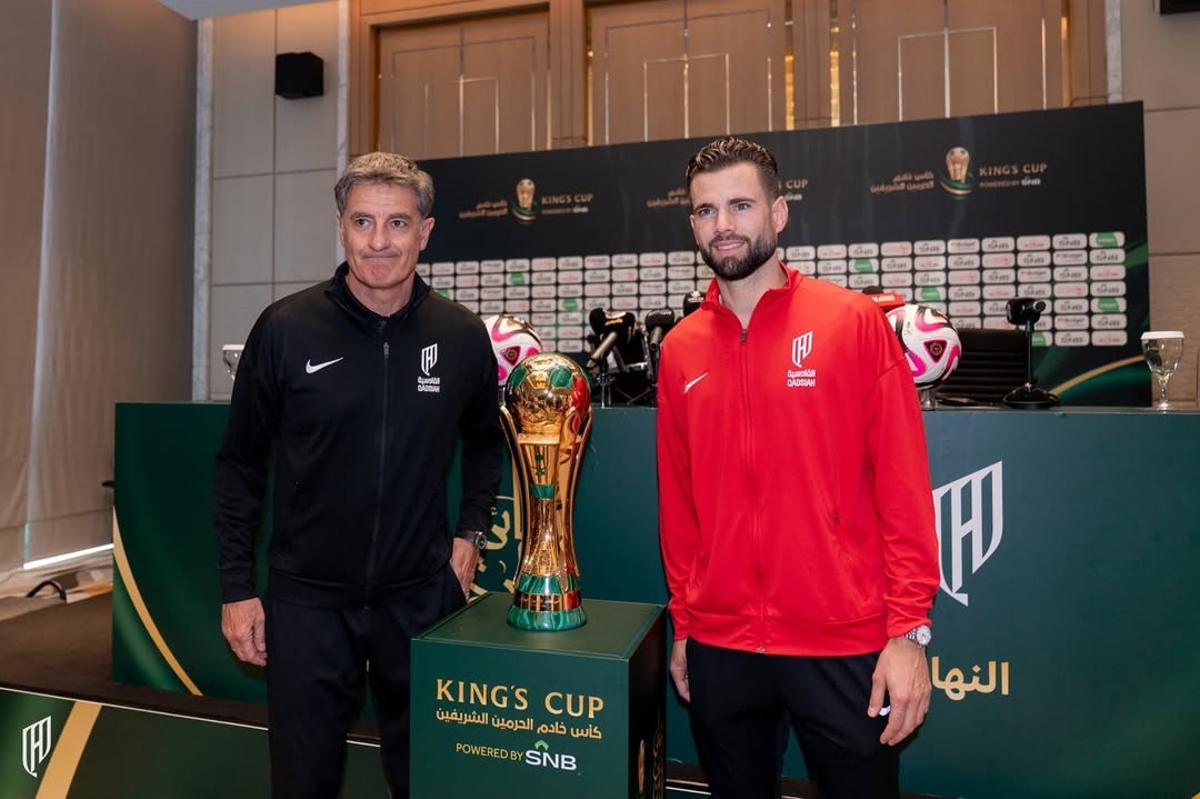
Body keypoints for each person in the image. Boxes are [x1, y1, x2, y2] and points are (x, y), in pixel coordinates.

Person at [655, 136, 940, 799]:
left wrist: (906, 632)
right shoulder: (679, 351)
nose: (723, 225)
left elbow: (902, 488)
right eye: (706, 211)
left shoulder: (852, 324)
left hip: (842, 644)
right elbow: (680, 504)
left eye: (740, 205)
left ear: (778, 215)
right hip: (723, 647)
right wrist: (688, 627)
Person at [214, 152, 503, 798]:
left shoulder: (459, 336)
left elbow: (487, 442)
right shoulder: (286, 329)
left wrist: (472, 530)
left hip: (418, 600)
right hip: (308, 605)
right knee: (303, 783)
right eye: (363, 222)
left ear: (425, 232)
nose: (379, 241)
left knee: (427, 779)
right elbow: (238, 464)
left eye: (398, 223)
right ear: (341, 228)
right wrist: (237, 587)